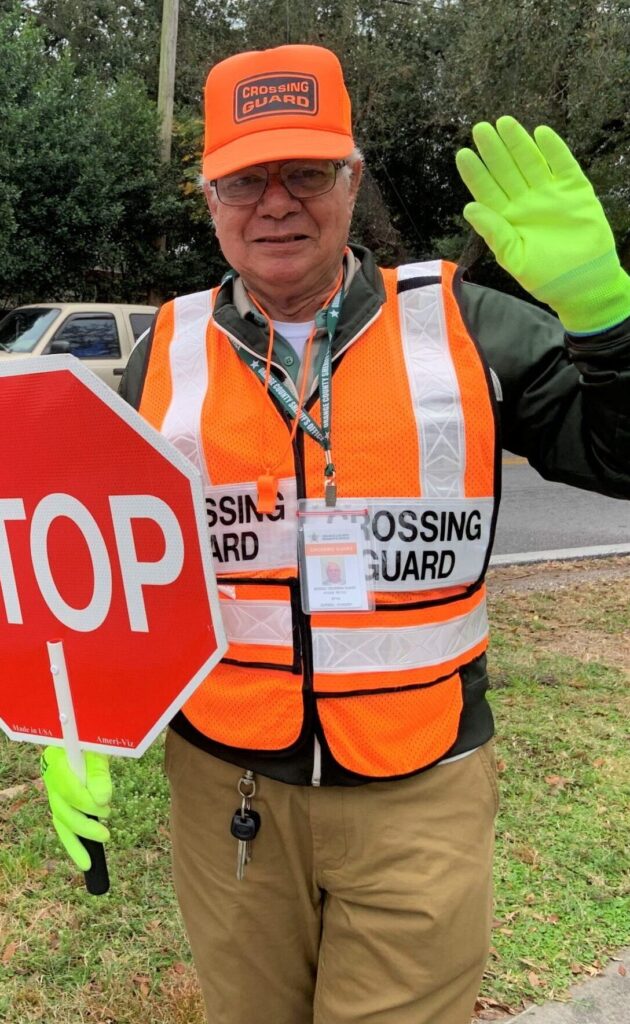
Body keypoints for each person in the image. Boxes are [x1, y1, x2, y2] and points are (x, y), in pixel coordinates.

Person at [41, 43, 630, 1024]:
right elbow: (88, 555)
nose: (276, 201)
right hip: (226, 791)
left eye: (306, 172)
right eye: (244, 178)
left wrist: (609, 324)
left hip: (421, 794)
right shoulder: (163, 355)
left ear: (351, 180)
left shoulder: (463, 324)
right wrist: (75, 721)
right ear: (209, 196)